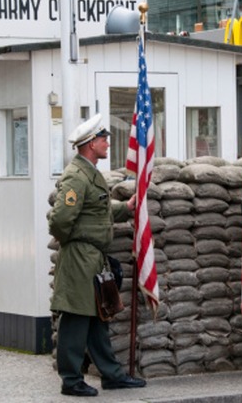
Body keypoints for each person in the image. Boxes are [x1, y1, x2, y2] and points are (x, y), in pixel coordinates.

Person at [48, 114, 147, 397]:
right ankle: (70, 379)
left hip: (92, 257)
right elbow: (60, 220)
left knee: (97, 318)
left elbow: (98, 210)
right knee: (76, 317)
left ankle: (112, 375)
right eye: (103, 139)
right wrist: (75, 242)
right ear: (90, 144)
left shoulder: (90, 173)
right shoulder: (76, 176)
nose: (107, 142)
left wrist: (126, 207)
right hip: (80, 257)